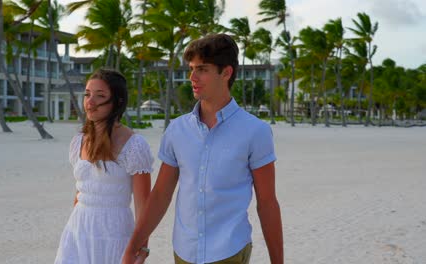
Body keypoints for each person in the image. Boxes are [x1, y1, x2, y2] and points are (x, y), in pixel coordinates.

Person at [123, 34, 283, 264]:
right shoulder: (177, 130)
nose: (192, 77)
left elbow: (267, 202)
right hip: (183, 252)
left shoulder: (255, 131)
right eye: (191, 68)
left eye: (202, 69)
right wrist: (133, 247)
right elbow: (160, 195)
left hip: (229, 251)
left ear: (226, 73)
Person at [55, 68, 153, 264]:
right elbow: (81, 191)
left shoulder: (134, 145)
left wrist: (141, 248)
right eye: (87, 94)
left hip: (114, 232)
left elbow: (143, 205)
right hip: (78, 228)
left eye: (100, 96)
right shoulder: (79, 142)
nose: (90, 102)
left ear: (117, 101)